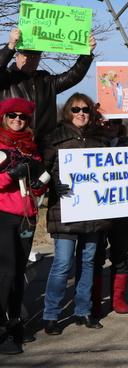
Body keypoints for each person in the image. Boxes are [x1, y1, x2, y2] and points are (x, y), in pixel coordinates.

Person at [41, 94, 110, 334]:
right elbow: (42, 171)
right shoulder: (55, 138)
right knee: (62, 263)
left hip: (93, 213)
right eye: (76, 109)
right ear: (68, 111)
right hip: (65, 211)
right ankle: (51, 315)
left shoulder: (99, 139)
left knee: (88, 262)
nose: (81, 113)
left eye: (86, 110)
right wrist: (52, 186)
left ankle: (83, 310)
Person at [0, 98, 47, 354]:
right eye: (13, 116)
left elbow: (38, 180)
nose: (18, 120)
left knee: (19, 274)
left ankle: (16, 324)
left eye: (23, 117)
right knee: (5, 275)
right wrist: (9, 175)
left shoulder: (30, 147)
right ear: (4, 118)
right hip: (4, 215)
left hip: (27, 216)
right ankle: (2, 330)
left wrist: (43, 183)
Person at [91, 108, 128, 317]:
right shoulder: (92, 143)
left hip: (124, 212)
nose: (111, 126)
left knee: (120, 255)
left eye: (115, 122)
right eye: (106, 122)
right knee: (95, 257)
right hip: (98, 211)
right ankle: (94, 300)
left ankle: (118, 298)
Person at [0, 28, 96, 143]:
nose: (29, 60)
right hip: (11, 143)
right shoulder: (5, 78)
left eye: (34, 57)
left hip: (44, 145)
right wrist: (10, 46)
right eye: (26, 55)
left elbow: (73, 76)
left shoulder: (47, 81)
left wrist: (87, 54)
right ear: (17, 56)